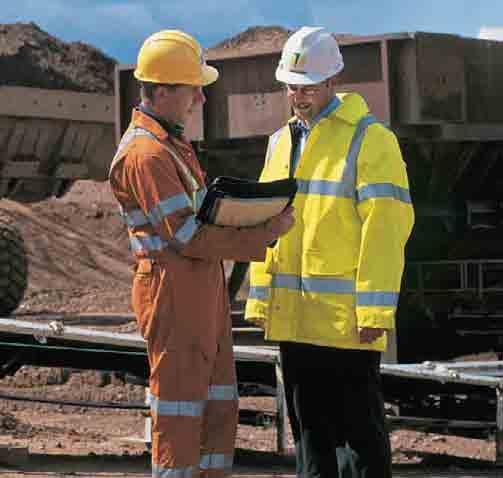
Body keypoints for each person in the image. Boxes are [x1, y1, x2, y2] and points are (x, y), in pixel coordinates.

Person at [109, 30, 294, 478]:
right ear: (165, 90)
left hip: (198, 287)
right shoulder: (146, 154)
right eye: (195, 90)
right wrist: (263, 233)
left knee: (216, 405)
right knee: (179, 410)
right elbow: (188, 236)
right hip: (173, 292)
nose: (202, 101)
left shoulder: (169, 145)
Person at [245, 26, 414, 478]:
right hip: (295, 320)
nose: (298, 96)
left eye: (308, 87)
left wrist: (374, 312)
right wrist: (260, 298)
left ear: (332, 81)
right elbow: (264, 225)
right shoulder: (280, 143)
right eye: (291, 87)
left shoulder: (370, 140)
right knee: (310, 442)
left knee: (359, 443)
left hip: (345, 324)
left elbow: (387, 229)